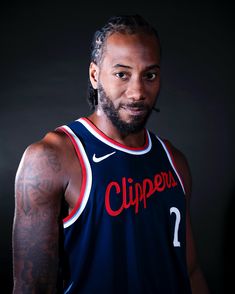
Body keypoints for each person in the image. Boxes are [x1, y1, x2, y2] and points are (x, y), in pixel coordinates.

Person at [12, 14, 210, 293]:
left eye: (149, 75)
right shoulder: (52, 159)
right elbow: (31, 287)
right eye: (122, 74)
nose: (138, 91)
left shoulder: (174, 161)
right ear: (95, 75)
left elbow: (189, 272)